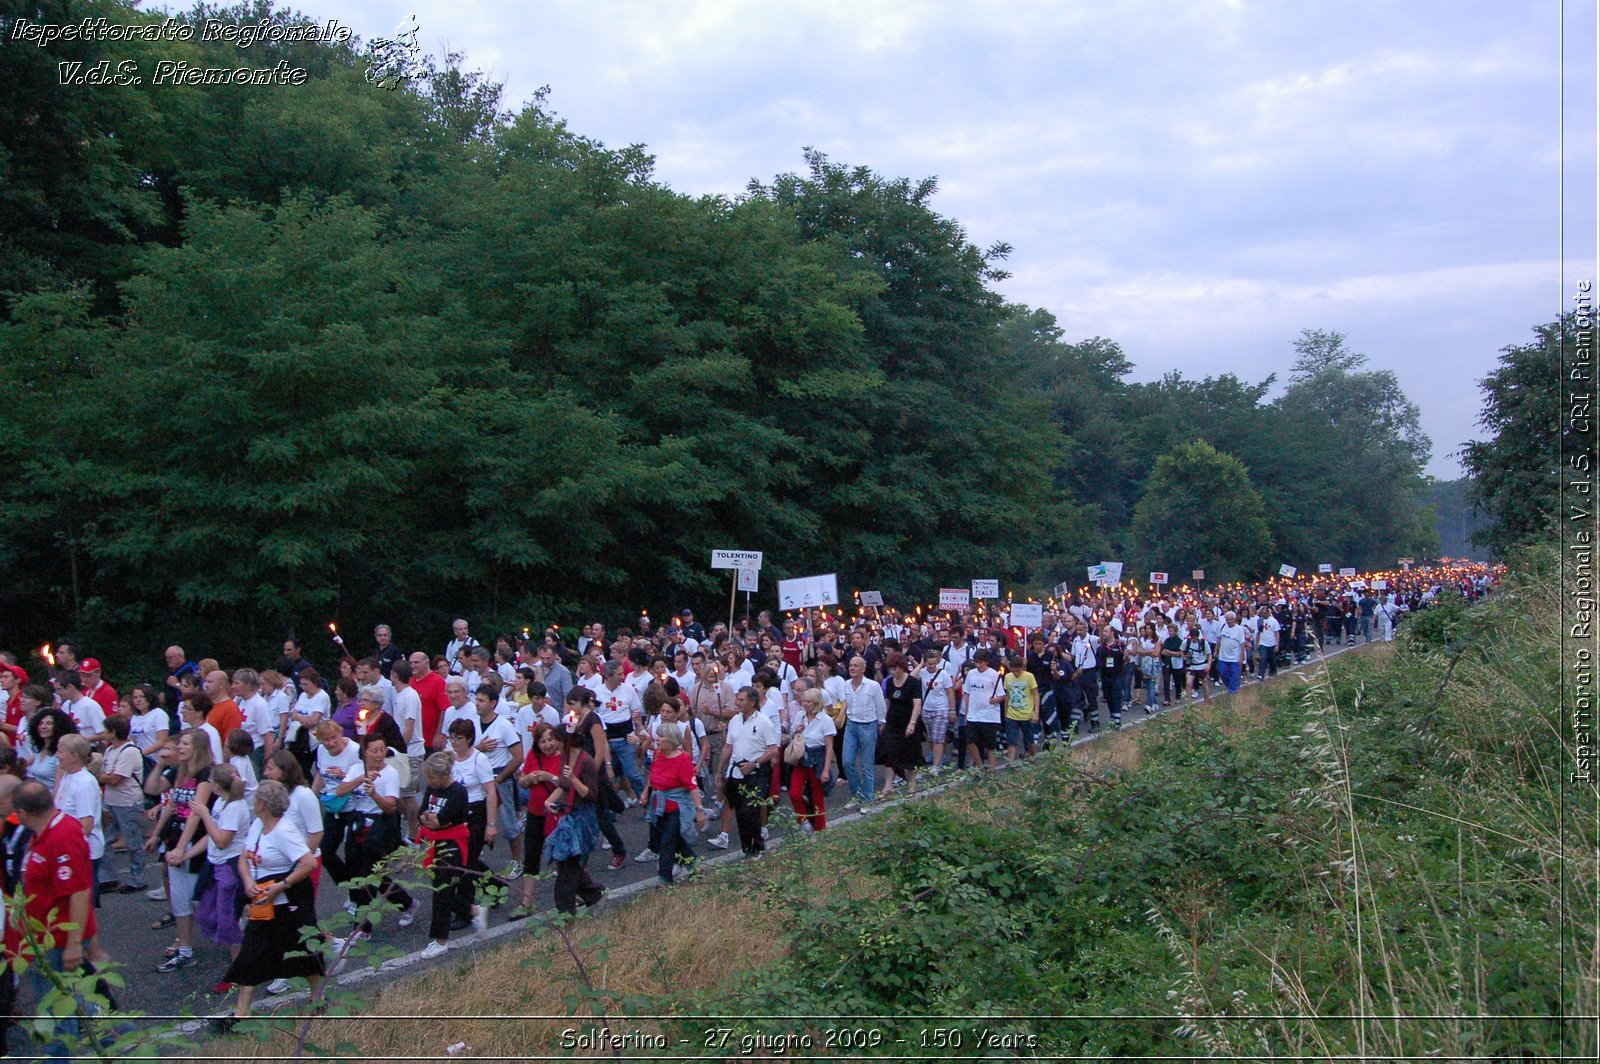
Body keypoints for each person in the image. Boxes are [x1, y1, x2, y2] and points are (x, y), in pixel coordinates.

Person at [222, 780, 323, 1023]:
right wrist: (248, 883)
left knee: (302, 953)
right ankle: (241, 1014)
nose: (252, 803)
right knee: (251, 953)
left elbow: (308, 863)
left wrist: (281, 886)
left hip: (286, 906)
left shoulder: (284, 832)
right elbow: (244, 859)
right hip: (263, 905)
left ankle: (318, 999)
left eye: (256, 799)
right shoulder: (258, 825)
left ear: (263, 805)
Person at [10, 781, 98, 1053]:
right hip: (48, 938)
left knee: (54, 1009)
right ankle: (109, 1042)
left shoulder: (61, 836)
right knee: (76, 1001)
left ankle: (59, 1058)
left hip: (57, 941)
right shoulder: (48, 831)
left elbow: (80, 891)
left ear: (24, 813)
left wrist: (73, 944)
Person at [149, 729, 214, 972]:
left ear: (197, 747)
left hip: (196, 840)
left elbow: (196, 812)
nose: (180, 748)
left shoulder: (207, 774)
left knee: (204, 897)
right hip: (176, 836)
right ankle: (185, 948)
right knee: (179, 899)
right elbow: (162, 795)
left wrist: (180, 847)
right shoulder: (180, 771)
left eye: (184, 744)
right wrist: (157, 834)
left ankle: (238, 936)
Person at [341, 733, 414, 936]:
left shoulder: (390, 773)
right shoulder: (357, 769)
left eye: (382, 750)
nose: (379, 755)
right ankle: (406, 902)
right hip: (358, 824)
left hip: (380, 828)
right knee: (365, 873)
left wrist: (374, 794)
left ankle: (362, 928)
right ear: (364, 753)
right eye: (374, 750)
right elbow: (340, 791)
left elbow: (390, 807)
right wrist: (360, 779)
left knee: (367, 876)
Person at [191, 762, 252, 992]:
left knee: (228, 920)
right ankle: (244, 933)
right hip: (216, 864)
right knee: (208, 913)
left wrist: (204, 814)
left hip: (229, 866)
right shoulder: (222, 802)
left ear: (216, 786)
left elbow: (221, 840)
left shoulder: (235, 808)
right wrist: (188, 853)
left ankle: (237, 973)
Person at [416, 753, 483, 958]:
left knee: (442, 891)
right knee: (439, 889)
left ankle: (440, 939)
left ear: (445, 774)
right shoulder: (432, 788)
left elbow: (443, 819)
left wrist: (433, 820)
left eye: (433, 778)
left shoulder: (458, 791)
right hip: (435, 841)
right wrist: (431, 819)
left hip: (452, 843)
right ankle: (474, 911)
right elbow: (422, 813)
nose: (430, 782)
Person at [542, 721, 607, 914]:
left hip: (582, 819)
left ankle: (565, 917)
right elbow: (563, 785)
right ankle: (595, 894)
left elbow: (591, 794)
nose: (553, 744)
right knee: (566, 865)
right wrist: (549, 800)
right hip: (567, 815)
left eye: (556, 740)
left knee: (567, 875)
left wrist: (574, 779)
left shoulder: (585, 761)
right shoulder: (564, 757)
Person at [509, 723, 564, 919]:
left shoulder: (564, 758)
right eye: (543, 741)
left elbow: (567, 784)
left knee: (561, 855)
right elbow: (522, 781)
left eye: (550, 740)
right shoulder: (533, 756)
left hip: (555, 813)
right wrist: (529, 779)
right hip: (535, 813)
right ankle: (527, 901)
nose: (547, 744)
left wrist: (550, 777)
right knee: (531, 856)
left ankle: (570, 895)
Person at [715, 687, 778, 856]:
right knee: (740, 813)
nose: (738, 703)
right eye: (737, 699)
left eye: (742, 700)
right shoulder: (735, 721)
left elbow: (773, 749)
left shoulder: (764, 722)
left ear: (752, 702)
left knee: (750, 810)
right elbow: (728, 746)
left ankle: (757, 848)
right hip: (737, 771)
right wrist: (720, 770)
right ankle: (747, 850)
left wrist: (755, 763)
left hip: (756, 772)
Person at [640, 723, 704, 885]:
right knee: (676, 841)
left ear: (672, 740)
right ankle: (694, 865)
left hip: (675, 808)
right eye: (658, 735)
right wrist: (645, 792)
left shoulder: (683, 760)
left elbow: (692, 786)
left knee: (667, 843)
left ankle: (665, 879)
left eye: (662, 736)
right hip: (658, 806)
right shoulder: (657, 754)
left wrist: (699, 810)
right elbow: (653, 776)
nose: (658, 739)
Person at [98, 714, 148, 894]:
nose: (103, 733)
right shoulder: (111, 750)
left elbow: (115, 778)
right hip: (112, 801)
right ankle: (108, 877)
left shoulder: (129, 751)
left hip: (128, 802)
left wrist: (101, 776)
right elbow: (107, 775)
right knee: (104, 840)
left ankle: (138, 879)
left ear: (113, 732)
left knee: (133, 843)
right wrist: (104, 776)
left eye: (106, 730)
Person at [445, 719, 498, 886]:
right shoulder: (449, 758)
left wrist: (491, 825)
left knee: (468, 856)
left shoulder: (479, 760)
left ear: (468, 739)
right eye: (452, 738)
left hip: (475, 811)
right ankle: (495, 885)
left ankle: (468, 898)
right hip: (457, 812)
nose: (454, 742)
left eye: (458, 738)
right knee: (459, 856)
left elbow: (490, 792)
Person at [839, 656, 886, 806]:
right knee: (847, 762)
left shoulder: (872, 686)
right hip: (851, 725)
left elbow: (880, 706)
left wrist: (881, 723)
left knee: (867, 765)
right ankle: (857, 794)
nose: (852, 668)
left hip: (868, 725)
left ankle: (867, 799)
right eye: (850, 666)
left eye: (856, 666)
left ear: (863, 669)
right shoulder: (845, 685)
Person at [877, 652, 924, 795]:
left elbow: (917, 704)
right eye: (891, 669)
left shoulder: (912, 683)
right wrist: (883, 720)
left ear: (901, 667)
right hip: (893, 722)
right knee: (889, 752)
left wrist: (912, 723)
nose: (893, 672)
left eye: (895, 669)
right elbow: (887, 702)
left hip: (908, 720)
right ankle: (888, 785)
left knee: (911, 754)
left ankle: (912, 785)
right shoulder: (890, 683)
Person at [788, 688, 835, 832]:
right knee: (794, 792)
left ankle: (820, 830)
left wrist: (826, 770)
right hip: (802, 758)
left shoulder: (825, 719)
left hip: (818, 758)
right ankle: (804, 821)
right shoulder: (800, 716)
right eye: (804, 701)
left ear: (816, 703)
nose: (805, 704)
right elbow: (792, 735)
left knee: (817, 798)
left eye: (808, 701)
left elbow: (829, 747)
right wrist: (797, 730)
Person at [960, 650, 1005, 771]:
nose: (978, 665)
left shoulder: (994, 674)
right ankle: (980, 766)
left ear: (986, 662)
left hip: (988, 715)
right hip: (973, 714)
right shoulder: (971, 674)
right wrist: (967, 712)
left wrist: (995, 700)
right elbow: (968, 693)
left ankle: (992, 769)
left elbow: (1002, 695)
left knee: (990, 745)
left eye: (980, 662)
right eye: (976, 662)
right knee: (970, 741)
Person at [914, 649, 955, 774]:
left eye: (934, 664)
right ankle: (937, 757)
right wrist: (921, 664)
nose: (932, 666)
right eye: (929, 664)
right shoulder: (922, 673)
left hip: (941, 709)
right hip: (927, 709)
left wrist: (952, 710)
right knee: (931, 738)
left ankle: (936, 765)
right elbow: (911, 677)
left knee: (938, 738)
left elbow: (950, 692)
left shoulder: (943, 674)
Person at [1000, 655, 1039, 763]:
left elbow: (1035, 694)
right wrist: (1005, 710)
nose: (1016, 673)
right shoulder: (1008, 677)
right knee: (1011, 740)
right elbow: (1007, 694)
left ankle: (1033, 758)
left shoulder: (1029, 676)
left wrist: (1036, 712)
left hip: (1026, 714)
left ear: (1022, 668)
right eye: (1014, 671)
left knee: (1029, 740)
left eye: (1018, 671)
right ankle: (1010, 762)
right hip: (1012, 714)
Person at [1215, 611, 1250, 696]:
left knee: (1235, 675)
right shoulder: (1223, 627)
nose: (1228, 621)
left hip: (1234, 657)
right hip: (1223, 656)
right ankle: (1231, 686)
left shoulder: (1239, 629)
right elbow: (1219, 639)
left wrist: (1242, 656)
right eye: (1227, 619)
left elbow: (1242, 643)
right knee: (1222, 672)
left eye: (1230, 619)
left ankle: (1233, 692)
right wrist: (1216, 650)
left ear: (1234, 619)